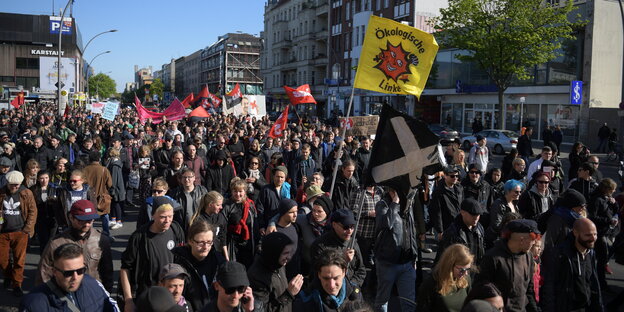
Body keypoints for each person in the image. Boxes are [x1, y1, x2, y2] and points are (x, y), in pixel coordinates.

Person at [120, 196, 185, 311]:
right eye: (163, 217)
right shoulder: (139, 237)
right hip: (148, 297)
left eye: (170, 216)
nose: (167, 221)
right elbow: (125, 269)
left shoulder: (176, 230)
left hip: (170, 295)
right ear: (153, 215)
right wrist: (128, 300)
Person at [37, 200, 113, 292]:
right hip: (66, 296)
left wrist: (106, 294)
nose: (87, 224)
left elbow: (107, 272)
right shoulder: (56, 243)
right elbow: (44, 274)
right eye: (82, 220)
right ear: (71, 218)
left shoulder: (101, 239)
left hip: (94, 294)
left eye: (90, 220)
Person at [20, 243, 119, 311]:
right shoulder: (33, 303)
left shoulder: (94, 284)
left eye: (80, 271)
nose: (75, 277)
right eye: (68, 273)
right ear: (54, 271)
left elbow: (112, 306)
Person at [475, 219, 540, 312]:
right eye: (532, 240)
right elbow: (481, 290)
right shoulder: (492, 258)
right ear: (522, 240)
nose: (534, 243)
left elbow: (529, 291)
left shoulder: (528, 257)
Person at [541, 218, 604, 311]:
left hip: (586, 307)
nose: (593, 238)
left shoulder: (591, 253)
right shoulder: (560, 254)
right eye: (588, 235)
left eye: (595, 234)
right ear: (575, 233)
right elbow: (549, 287)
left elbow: (594, 283)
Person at [373, 188, 418, 312]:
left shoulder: (408, 206)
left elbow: (411, 232)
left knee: (408, 302)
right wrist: (395, 203)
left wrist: (414, 256)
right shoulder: (383, 204)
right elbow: (386, 224)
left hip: (407, 262)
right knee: (383, 301)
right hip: (387, 263)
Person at [173, 220, 226, 311]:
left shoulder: (218, 261)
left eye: (209, 242)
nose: (206, 247)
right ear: (190, 241)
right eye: (201, 243)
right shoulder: (178, 263)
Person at [0, 170, 37, 296]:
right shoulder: (1, 192)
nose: (14, 187)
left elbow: (33, 211)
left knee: (19, 260)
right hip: (3, 232)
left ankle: (17, 284)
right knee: (2, 259)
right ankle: (8, 275)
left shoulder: (26, 193)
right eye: (12, 184)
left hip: (20, 231)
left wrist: (27, 229)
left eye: (17, 184)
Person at [310, 208, 367, 289]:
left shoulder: (352, 242)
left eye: (352, 227)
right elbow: (318, 275)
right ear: (334, 225)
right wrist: (343, 260)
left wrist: (352, 286)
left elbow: (361, 270)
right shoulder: (320, 245)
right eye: (345, 227)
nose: (349, 231)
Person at [248, 232, 303, 312]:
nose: (289, 257)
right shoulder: (256, 277)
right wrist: (288, 295)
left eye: (289, 252)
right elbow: (262, 309)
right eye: (285, 253)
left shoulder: (278, 264)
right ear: (274, 253)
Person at [297, 249, 363, 312]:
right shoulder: (306, 300)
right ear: (319, 274)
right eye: (326, 278)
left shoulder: (355, 294)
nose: (331, 285)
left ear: (344, 272)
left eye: (336, 278)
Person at [417, 244, 474, 312]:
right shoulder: (431, 283)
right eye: (462, 270)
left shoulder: (466, 279)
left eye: (468, 269)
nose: (466, 273)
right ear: (449, 265)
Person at [587, 178, 618, 290]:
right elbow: (592, 216)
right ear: (606, 189)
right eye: (612, 189)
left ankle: (599, 281)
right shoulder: (596, 199)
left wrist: (614, 204)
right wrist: (608, 221)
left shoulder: (606, 198)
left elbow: (614, 211)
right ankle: (599, 282)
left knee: (603, 257)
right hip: (599, 233)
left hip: (605, 232)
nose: (614, 191)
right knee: (602, 258)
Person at [436, 199, 485, 265]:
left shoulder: (479, 229)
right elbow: (443, 259)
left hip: (475, 270)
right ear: (462, 212)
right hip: (460, 271)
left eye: (478, 215)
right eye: (473, 214)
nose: (476, 218)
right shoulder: (452, 233)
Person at [543, 189, 587, 255]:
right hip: (560, 257)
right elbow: (550, 242)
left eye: (584, 206)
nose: (583, 208)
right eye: (581, 206)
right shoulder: (557, 218)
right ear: (572, 206)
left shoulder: (578, 217)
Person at [82, 151, 113, 237]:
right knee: (105, 215)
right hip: (102, 197)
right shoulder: (104, 169)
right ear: (99, 159)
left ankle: (90, 235)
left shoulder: (85, 170)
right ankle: (106, 234)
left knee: (90, 217)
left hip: (88, 197)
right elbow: (110, 184)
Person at [191, 191, 229, 258]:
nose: (221, 207)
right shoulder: (199, 219)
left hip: (218, 253)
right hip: (204, 254)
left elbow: (223, 238)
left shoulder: (220, 217)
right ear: (210, 204)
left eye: (221, 205)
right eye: (218, 205)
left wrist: (226, 257)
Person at [486, 179, 523, 246]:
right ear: (508, 191)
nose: (519, 194)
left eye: (520, 192)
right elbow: (496, 225)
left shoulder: (514, 204)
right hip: (498, 240)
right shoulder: (498, 204)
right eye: (516, 192)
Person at [170, 168, 208, 233]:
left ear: (194, 178)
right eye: (184, 177)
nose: (186, 180)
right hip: (181, 228)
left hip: (199, 227)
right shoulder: (175, 193)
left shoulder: (202, 191)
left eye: (189, 177)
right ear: (181, 179)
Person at [430, 166, 464, 238]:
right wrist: (440, 230)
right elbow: (437, 212)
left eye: (456, 176)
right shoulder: (438, 191)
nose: (455, 178)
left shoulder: (459, 188)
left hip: (459, 224)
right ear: (445, 176)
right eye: (452, 176)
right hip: (446, 226)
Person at [257, 166, 291, 234]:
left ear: (285, 178)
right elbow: (260, 208)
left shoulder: (288, 189)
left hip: (283, 225)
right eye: (277, 176)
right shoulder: (266, 189)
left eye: (282, 177)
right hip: (268, 225)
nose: (279, 179)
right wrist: (261, 225)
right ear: (273, 176)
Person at [31, 170, 59, 253]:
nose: (44, 180)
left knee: (52, 241)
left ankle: (52, 260)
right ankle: (44, 260)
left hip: (53, 218)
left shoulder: (55, 188)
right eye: (42, 178)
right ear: (38, 179)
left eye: (46, 178)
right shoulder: (33, 189)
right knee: (43, 241)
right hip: (40, 219)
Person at [106, 148, 126, 230]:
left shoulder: (114, 165)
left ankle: (119, 221)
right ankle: (113, 219)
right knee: (113, 203)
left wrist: (112, 188)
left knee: (116, 204)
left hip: (116, 188)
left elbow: (113, 178)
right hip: (118, 187)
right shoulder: (116, 162)